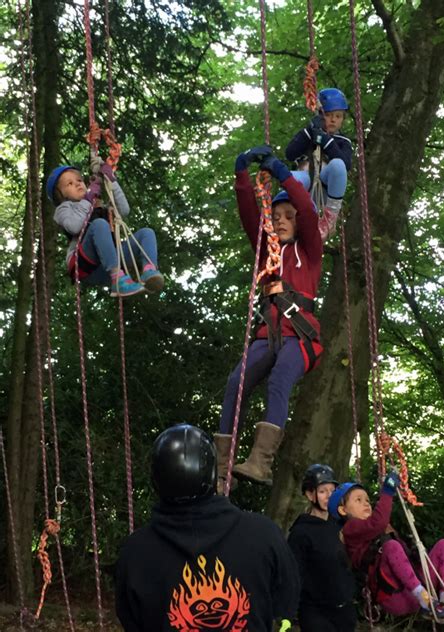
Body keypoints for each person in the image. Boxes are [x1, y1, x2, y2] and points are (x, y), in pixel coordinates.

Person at [115, 424, 300, 632]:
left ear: (156, 481)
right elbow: (285, 604)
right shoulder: (264, 535)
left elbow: (131, 619)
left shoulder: (136, 551)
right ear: (213, 475)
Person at [214, 146, 323, 491]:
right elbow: (250, 216)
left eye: (286, 217)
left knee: (278, 382)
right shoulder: (267, 253)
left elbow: (306, 208)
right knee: (236, 383)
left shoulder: (310, 249)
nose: (280, 221)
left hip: (300, 336)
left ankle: (260, 462)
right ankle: (221, 470)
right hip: (269, 334)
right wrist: (241, 176)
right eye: (276, 217)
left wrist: (284, 175)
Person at [328, 474, 444, 623]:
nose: (366, 504)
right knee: (391, 546)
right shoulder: (350, 529)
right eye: (358, 500)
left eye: (367, 500)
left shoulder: (381, 528)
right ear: (342, 510)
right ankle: (427, 601)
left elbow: (394, 547)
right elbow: (378, 522)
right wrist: (387, 491)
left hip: (414, 586)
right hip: (394, 596)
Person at [47, 161, 164, 297]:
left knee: (146, 233)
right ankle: (117, 279)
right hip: (85, 265)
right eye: (70, 184)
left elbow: (124, 210)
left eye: (79, 180)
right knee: (99, 224)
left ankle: (149, 270)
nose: (78, 184)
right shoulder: (64, 209)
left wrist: (112, 180)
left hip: (108, 261)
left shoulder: (100, 209)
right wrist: (88, 200)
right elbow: (74, 226)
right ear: (61, 195)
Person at [288, 464, 356, 632]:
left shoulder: (341, 524)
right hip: (316, 614)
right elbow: (294, 575)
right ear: (310, 494)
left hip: (345, 611)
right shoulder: (300, 532)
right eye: (322, 491)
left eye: (332, 491)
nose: (328, 496)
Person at [285, 87, 352, 242]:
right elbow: (290, 153)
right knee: (286, 177)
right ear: (321, 116)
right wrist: (310, 131)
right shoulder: (309, 134)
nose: (333, 120)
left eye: (338, 116)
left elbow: (345, 165)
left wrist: (326, 141)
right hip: (306, 182)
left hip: (326, 185)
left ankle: (330, 217)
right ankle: (286, 216)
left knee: (337, 165)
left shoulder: (343, 142)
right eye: (328, 115)